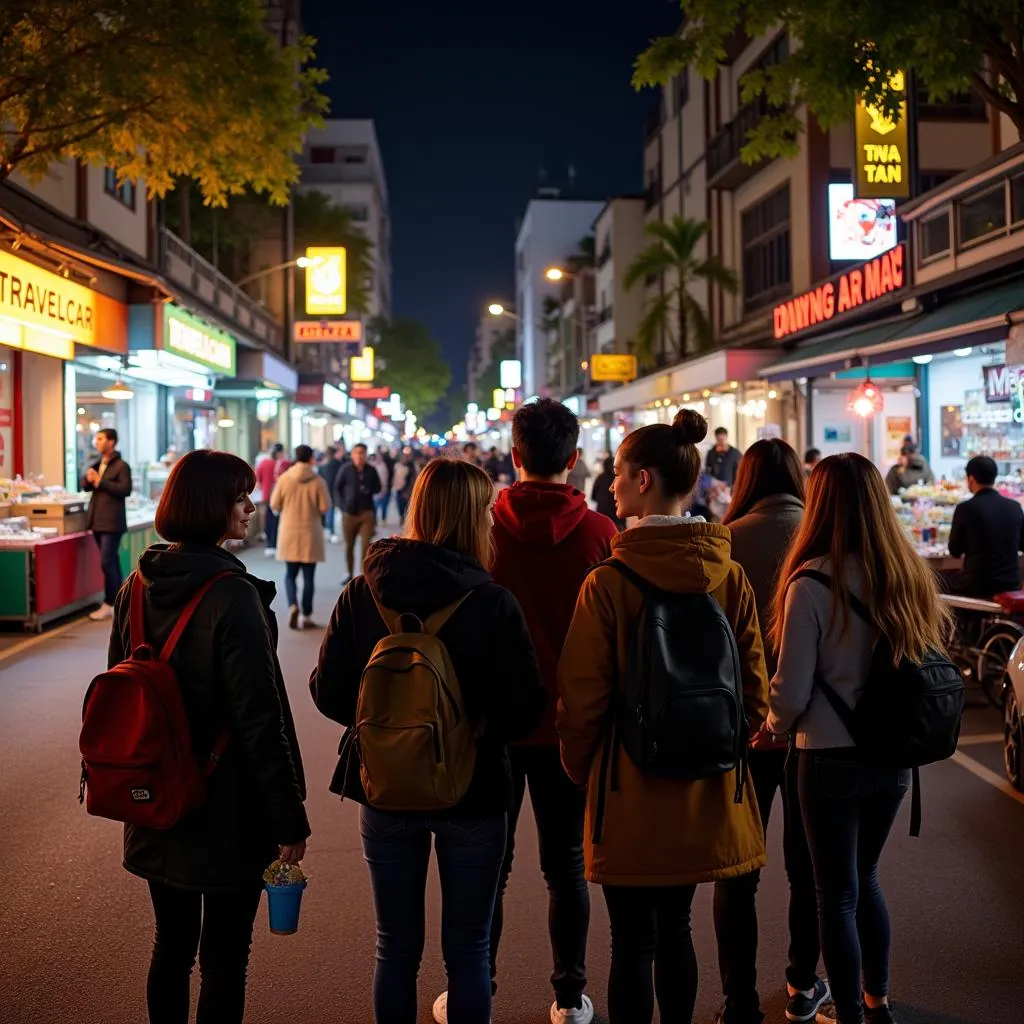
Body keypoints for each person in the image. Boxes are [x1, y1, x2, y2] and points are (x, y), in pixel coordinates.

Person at [310, 458, 546, 1024]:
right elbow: (525, 711)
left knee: (394, 947)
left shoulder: (363, 592)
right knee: (468, 948)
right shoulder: (492, 603)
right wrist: (474, 728)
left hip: (384, 787)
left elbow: (327, 691)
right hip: (475, 790)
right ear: (474, 518)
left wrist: (382, 728)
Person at [557, 409, 769, 1024]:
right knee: (678, 928)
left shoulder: (608, 582)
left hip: (629, 785)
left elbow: (582, 697)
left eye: (620, 473)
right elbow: (754, 688)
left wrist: (580, 766)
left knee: (631, 940)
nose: (612, 483)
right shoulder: (726, 574)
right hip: (707, 786)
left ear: (644, 480)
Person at [108, 449, 309, 1024]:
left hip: (156, 801)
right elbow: (258, 720)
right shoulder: (232, 596)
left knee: (170, 948)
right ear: (210, 506)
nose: (250, 505)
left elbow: (119, 695)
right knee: (224, 958)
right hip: (228, 809)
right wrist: (287, 817)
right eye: (239, 497)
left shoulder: (136, 587)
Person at [768, 453, 952, 1024]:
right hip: (895, 756)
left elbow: (791, 689)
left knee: (834, 893)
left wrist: (771, 727)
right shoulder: (906, 574)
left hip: (826, 756)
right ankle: (877, 1001)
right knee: (867, 880)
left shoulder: (811, 581)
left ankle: (845, 1010)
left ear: (817, 504)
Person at [482, 399, 618, 1024]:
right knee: (566, 867)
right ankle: (569, 996)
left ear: (514, 456)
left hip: (495, 724)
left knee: (492, 865)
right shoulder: (599, 535)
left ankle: (475, 985)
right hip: (571, 725)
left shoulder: (483, 529)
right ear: (573, 459)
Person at [716, 440, 828, 1024]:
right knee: (807, 865)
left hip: (741, 724)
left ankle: (737, 1000)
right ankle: (803, 985)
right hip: (813, 725)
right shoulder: (819, 534)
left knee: (739, 868)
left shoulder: (725, 538)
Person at [270, 445, 331, 630]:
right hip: (310, 533)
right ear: (311, 458)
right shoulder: (318, 480)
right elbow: (324, 507)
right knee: (309, 577)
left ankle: (292, 605)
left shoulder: (285, 479)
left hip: (289, 532)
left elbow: (275, 504)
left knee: (290, 575)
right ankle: (306, 615)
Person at [946, 455, 1024, 598]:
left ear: (971, 479)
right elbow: (1022, 545)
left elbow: (955, 551)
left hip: (976, 588)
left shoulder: (966, 508)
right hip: (1011, 586)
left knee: (943, 584)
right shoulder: (1015, 507)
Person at [84, 428, 133, 621]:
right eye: (96, 438)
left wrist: (100, 482)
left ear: (111, 442)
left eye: (100, 438)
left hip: (112, 522)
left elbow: (125, 489)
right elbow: (87, 486)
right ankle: (120, 600)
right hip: (97, 521)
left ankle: (109, 602)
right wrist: (88, 480)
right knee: (111, 561)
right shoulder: (97, 464)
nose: (96, 442)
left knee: (106, 561)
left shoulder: (122, 466)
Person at [334, 443, 382, 584]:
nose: (360, 455)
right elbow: (337, 488)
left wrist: (369, 489)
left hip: (366, 513)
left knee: (366, 545)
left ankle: (364, 575)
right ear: (352, 454)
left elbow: (378, 487)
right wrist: (342, 505)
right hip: (349, 513)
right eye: (357, 452)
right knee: (349, 545)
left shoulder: (371, 470)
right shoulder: (346, 469)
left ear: (366, 454)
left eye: (362, 453)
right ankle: (349, 572)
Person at [255, 443, 285, 556]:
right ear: (279, 453)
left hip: (266, 495)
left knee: (268, 518)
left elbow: (257, 478)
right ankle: (273, 543)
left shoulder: (263, 463)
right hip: (277, 496)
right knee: (276, 520)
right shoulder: (280, 464)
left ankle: (269, 543)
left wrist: (263, 487)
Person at [320, 446, 347, 542]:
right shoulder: (340, 464)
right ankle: (335, 532)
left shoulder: (323, 466)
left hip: (327, 491)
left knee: (329, 512)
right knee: (340, 512)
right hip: (337, 492)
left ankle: (330, 531)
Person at [591, 455, 624, 530]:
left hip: (602, 516)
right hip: (617, 518)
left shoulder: (600, 478)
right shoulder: (619, 479)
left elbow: (593, 496)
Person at [393, 449, 418, 524]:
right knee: (400, 505)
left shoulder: (413, 466)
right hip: (399, 489)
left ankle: (406, 519)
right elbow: (395, 476)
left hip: (408, 490)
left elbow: (415, 477)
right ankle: (401, 517)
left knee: (407, 506)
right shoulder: (397, 465)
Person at [373, 450, 394, 525]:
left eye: (380, 457)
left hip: (384, 488)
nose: (378, 458)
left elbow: (387, 477)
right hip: (375, 490)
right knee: (375, 506)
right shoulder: (373, 466)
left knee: (384, 506)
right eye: (377, 457)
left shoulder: (384, 466)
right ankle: (374, 521)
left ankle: (383, 519)